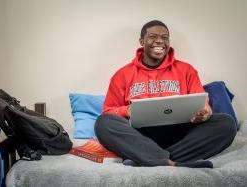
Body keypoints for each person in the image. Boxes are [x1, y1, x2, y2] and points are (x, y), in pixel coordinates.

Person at [94, 20, 237, 168]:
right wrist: (128, 110)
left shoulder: (186, 70)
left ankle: (147, 159)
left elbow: (202, 103)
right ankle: (172, 162)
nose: (159, 41)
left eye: (164, 37)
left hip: (181, 134)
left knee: (226, 123)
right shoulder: (122, 74)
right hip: (140, 136)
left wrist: (205, 112)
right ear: (142, 41)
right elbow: (108, 111)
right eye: (153, 36)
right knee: (103, 123)